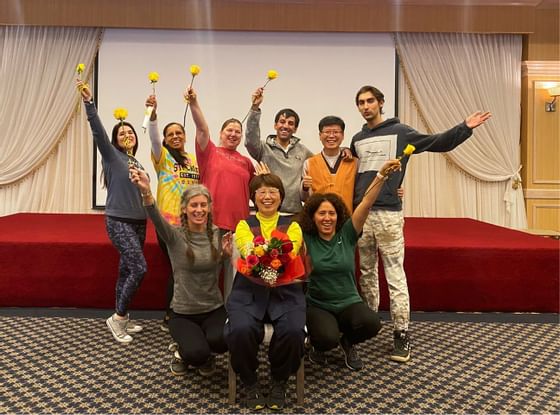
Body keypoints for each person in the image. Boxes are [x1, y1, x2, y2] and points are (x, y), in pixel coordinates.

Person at [351, 85, 491, 363]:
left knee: (394, 276)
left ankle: (401, 333)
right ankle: (368, 327)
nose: (366, 106)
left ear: (381, 103)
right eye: (361, 102)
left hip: (389, 215)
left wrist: (464, 127)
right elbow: (354, 177)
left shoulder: (401, 132)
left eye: (370, 101)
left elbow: (438, 142)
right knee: (366, 274)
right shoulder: (356, 140)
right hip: (361, 215)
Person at [298, 159, 401, 371]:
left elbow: (366, 203)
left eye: (332, 213)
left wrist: (380, 176)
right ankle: (320, 345)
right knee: (327, 338)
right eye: (322, 213)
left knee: (372, 324)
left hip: (348, 302)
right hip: (319, 304)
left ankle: (348, 342)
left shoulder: (348, 233)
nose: (327, 218)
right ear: (313, 216)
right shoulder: (305, 238)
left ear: (338, 216)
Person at [130, 168, 231, 377]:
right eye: (194, 205)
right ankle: (182, 353)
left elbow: (212, 262)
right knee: (197, 353)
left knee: (224, 341)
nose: (199, 210)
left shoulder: (217, 234)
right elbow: (155, 217)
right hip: (184, 313)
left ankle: (203, 349)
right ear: (184, 209)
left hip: (214, 308)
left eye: (203, 205)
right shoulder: (174, 236)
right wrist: (147, 191)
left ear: (210, 208)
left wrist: (225, 255)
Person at [225, 170, 306, 410]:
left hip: (286, 292)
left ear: (281, 196)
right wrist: (265, 261)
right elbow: (248, 252)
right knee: (240, 330)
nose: (267, 196)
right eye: (262, 192)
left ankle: (279, 381)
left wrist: (267, 260)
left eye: (273, 191)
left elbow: (290, 253)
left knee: (293, 332)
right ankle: (249, 382)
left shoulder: (294, 224)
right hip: (248, 291)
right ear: (253, 197)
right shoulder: (243, 224)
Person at [77, 80, 148, 344]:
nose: (127, 135)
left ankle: (124, 315)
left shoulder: (137, 161)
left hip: (140, 222)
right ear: (116, 140)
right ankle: (117, 318)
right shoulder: (111, 155)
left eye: (131, 132)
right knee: (139, 268)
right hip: (119, 221)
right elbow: (98, 132)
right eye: (122, 133)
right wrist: (89, 103)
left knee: (126, 270)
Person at [193, 88, 255, 298]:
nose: (234, 133)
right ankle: (206, 315)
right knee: (208, 274)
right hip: (212, 225)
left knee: (236, 276)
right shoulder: (209, 153)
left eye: (238, 131)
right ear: (221, 133)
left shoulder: (246, 162)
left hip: (239, 228)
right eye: (229, 130)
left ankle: (232, 317)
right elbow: (201, 129)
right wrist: (194, 103)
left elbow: (259, 191)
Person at [145, 94, 200, 332]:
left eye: (179, 133)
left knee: (189, 270)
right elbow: (154, 137)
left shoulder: (194, 160)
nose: (176, 136)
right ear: (166, 140)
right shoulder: (163, 157)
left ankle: (186, 311)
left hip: (193, 225)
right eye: (171, 134)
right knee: (178, 270)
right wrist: (153, 116)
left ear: (185, 136)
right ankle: (172, 314)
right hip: (169, 225)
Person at [245, 87, 313, 215]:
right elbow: (250, 140)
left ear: (295, 129)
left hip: (295, 213)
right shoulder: (264, 148)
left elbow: (321, 161)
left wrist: (344, 150)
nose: (285, 126)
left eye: (290, 123)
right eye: (282, 122)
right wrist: (254, 108)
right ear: (275, 125)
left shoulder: (303, 151)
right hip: (268, 212)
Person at [300, 115, 358, 214]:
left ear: (343, 135)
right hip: (319, 221)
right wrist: (304, 187)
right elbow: (304, 198)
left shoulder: (354, 162)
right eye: (327, 132)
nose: (331, 136)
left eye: (336, 132)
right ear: (320, 135)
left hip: (347, 220)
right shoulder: (309, 163)